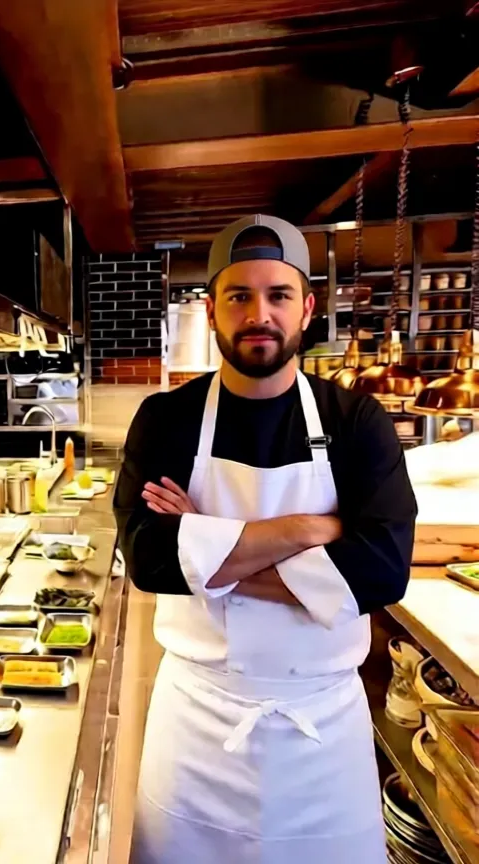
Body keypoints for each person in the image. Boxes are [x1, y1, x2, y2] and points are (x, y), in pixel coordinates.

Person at [114, 214, 417, 864]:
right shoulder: (167, 419)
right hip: (197, 724)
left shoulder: (356, 422)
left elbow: (382, 571)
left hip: (323, 735)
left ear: (306, 307)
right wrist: (308, 531)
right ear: (213, 308)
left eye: (278, 295)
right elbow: (147, 556)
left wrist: (208, 553)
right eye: (239, 296)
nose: (260, 314)